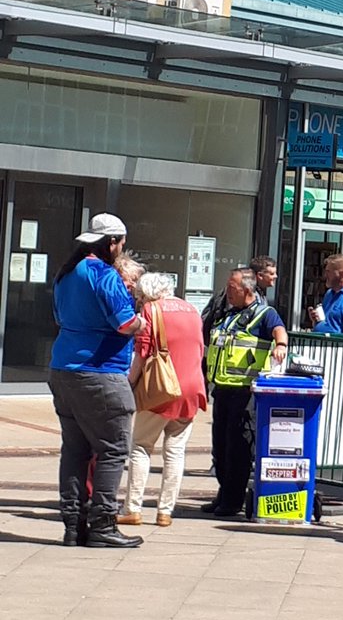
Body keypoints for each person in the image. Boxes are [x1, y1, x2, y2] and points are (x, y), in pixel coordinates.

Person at [48, 212, 145, 548]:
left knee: (74, 450)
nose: (121, 249)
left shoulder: (66, 273)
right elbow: (124, 323)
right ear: (112, 243)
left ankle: (73, 525)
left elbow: (60, 318)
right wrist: (140, 323)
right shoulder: (104, 275)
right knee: (113, 449)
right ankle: (103, 525)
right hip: (100, 372)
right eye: (120, 243)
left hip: (63, 369)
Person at [118, 272, 207, 528]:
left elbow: (142, 352)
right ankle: (165, 511)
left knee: (140, 447)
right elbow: (200, 348)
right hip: (191, 388)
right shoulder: (191, 310)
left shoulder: (150, 310)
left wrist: (130, 382)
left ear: (146, 293)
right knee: (176, 452)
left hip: (160, 389)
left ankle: (132, 508)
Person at [204, 268, 288, 517]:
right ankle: (224, 494)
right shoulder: (229, 314)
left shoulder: (264, 314)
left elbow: (279, 331)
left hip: (245, 393)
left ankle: (232, 501)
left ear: (248, 290)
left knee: (237, 449)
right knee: (220, 447)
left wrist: (281, 346)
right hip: (222, 390)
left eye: (233, 288)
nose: (228, 292)